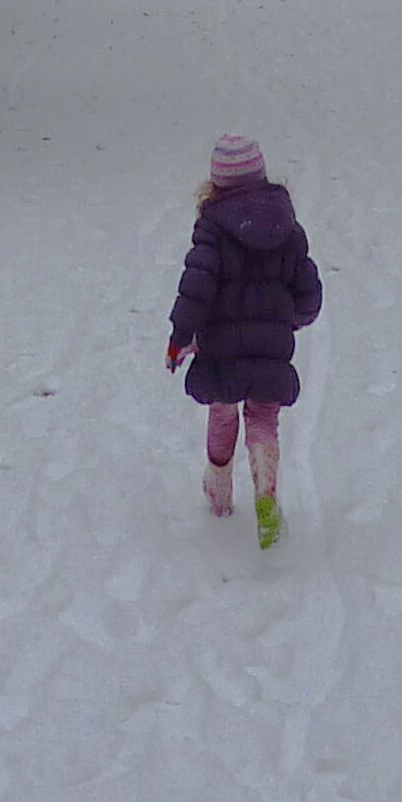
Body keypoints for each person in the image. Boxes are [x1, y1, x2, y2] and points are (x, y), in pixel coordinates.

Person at [166, 131, 323, 550]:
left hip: (220, 347)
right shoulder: (288, 229)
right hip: (271, 345)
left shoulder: (212, 229)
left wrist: (180, 336)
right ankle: (266, 489)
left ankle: (219, 491)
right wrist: (293, 318)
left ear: (215, 184)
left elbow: (195, 287)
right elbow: (308, 289)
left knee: (222, 412)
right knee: (263, 419)